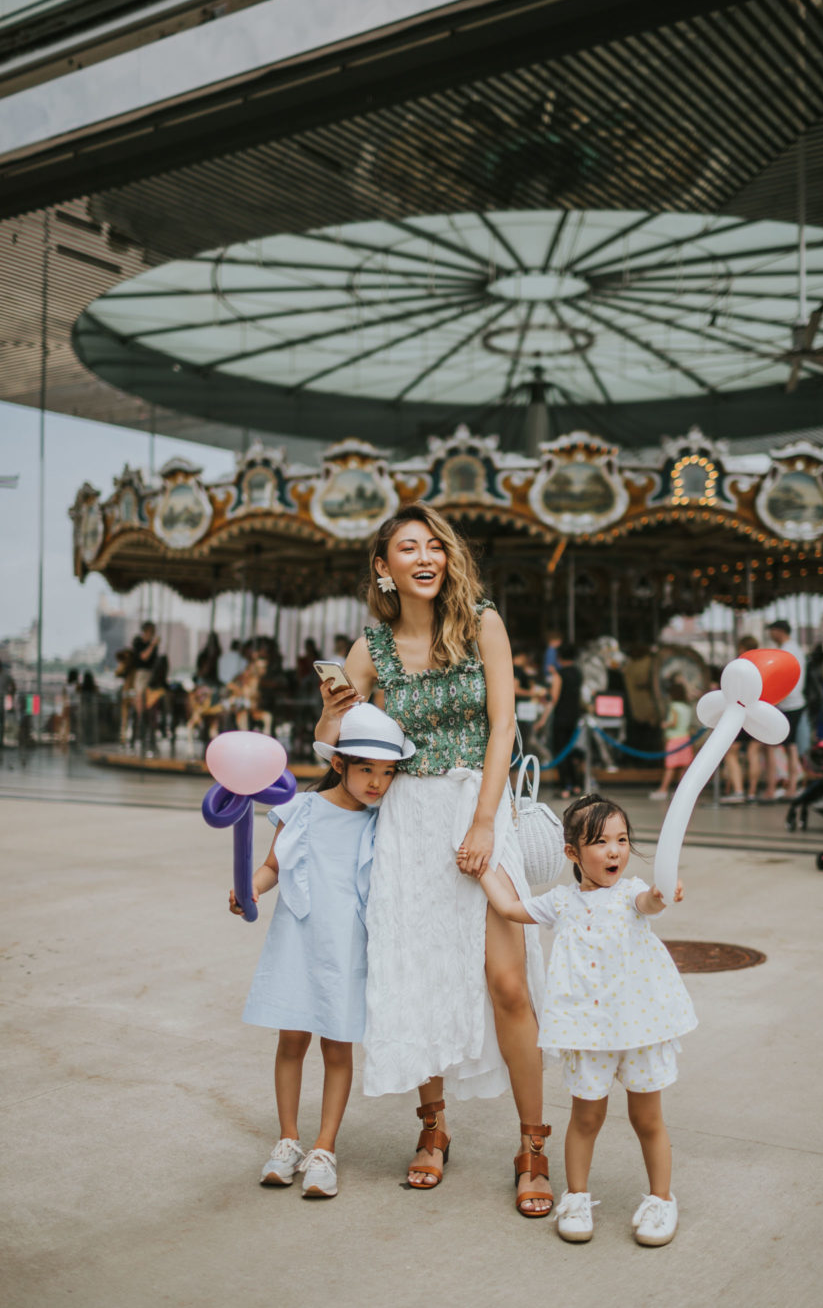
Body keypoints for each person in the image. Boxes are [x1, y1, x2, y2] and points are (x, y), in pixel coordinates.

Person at [315, 502, 551, 1216]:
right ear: (382, 569)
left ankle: (533, 1143)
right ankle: (433, 1128)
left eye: (434, 547)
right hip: (407, 819)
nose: (425, 557)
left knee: (507, 982)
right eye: (407, 548)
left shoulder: (481, 622)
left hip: (476, 808)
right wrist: (333, 707)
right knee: (415, 975)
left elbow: (503, 725)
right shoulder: (371, 648)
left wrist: (485, 822)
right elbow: (333, 744)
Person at [463, 794, 696, 1246]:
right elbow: (512, 910)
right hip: (588, 1034)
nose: (615, 851)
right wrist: (482, 871)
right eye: (600, 842)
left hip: (640, 1028)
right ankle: (576, 1196)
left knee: (648, 1118)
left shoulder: (631, 894)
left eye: (622, 839)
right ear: (572, 852)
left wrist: (663, 893)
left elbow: (652, 903)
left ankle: (661, 1199)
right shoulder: (562, 902)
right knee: (585, 1118)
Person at [230, 702, 416, 1197]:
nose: (377, 782)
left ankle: (324, 1147)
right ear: (339, 765)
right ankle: (288, 1139)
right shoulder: (303, 811)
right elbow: (272, 866)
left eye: (387, 772)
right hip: (297, 942)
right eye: (366, 770)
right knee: (291, 1042)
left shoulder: (383, 823)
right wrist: (250, 887)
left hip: (348, 948)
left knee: (338, 1046)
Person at [761, 619, 806, 800]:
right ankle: (792, 784)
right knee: (790, 746)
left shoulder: (786, 652)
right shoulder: (795, 650)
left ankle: (774, 787)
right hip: (795, 702)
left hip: (786, 703)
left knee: (774, 745)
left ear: (779, 631)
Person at [535, 641, 584, 799]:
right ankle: (576, 785)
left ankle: (565, 786)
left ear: (559, 656)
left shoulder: (559, 674)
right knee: (570, 751)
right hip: (574, 717)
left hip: (561, 718)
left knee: (560, 752)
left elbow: (553, 699)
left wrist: (542, 720)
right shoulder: (577, 673)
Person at [721, 635, 762, 803]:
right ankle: (752, 792)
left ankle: (738, 791)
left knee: (731, 753)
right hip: (759, 712)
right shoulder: (761, 665)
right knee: (753, 753)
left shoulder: (740, 666)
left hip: (741, 711)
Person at [649, 682, 694, 801]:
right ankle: (681, 791)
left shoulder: (674, 706)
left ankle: (663, 789)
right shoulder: (687, 707)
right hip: (686, 738)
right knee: (683, 767)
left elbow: (674, 722)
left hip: (674, 739)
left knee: (670, 766)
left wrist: (665, 724)